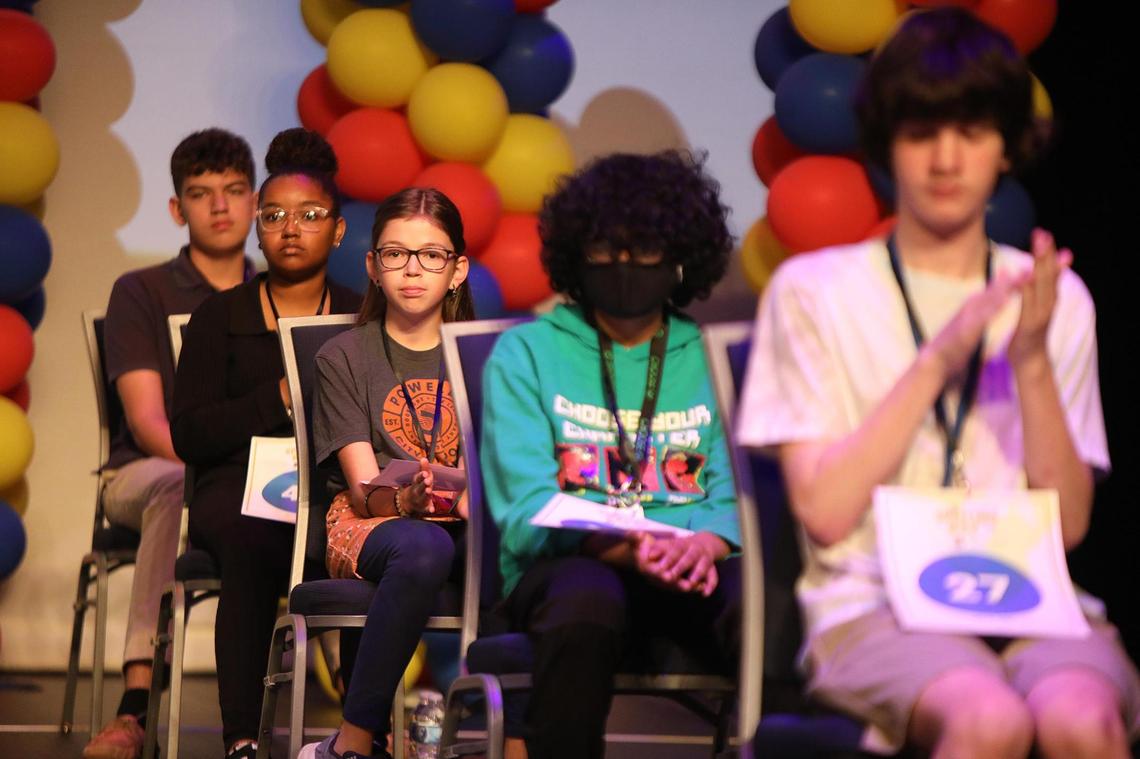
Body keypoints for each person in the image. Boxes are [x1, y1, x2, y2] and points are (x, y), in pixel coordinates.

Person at [737, 8, 1140, 758]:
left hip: (1029, 597)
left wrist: (1028, 360)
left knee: (1082, 720)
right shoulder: (814, 291)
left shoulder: (1054, 297)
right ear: (889, 141)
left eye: (973, 131)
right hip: (875, 599)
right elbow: (825, 513)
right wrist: (939, 358)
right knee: (989, 721)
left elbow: (1071, 524)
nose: (946, 159)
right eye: (923, 131)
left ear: (1008, 147)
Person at [480, 150, 742, 759]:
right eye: (605, 250)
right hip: (573, 567)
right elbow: (526, 507)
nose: (624, 267)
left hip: (689, 566)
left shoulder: (713, 359)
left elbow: (732, 496)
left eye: (645, 250)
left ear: (679, 260)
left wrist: (705, 544)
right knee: (586, 600)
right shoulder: (527, 353)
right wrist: (625, 547)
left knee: (769, 607)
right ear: (577, 255)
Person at [170, 128, 362, 759]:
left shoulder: (364, 318)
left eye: (309, 217)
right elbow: (192, 434)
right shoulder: (218, 318)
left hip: (335, 488)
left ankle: (366, 733)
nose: (290, 229)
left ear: (336, 231)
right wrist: (276, 396)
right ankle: (244, 739)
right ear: (258, 228)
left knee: (374, 545)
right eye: (275, 216)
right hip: (237, 488)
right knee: (251, 538)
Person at [85, 128, 258, 759]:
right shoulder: (143, 291)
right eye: (201, 193)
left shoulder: (275, 293)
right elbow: (149, 421)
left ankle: (349, 704)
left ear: (255, 200)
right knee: (169, 484)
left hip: (247, 480)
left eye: (235, 191)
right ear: (176, 209)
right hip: (147, 472)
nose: (220, 206)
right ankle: (135, 708)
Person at [299, 187, 472, 759]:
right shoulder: (344, 356)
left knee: (519, 547)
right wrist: (408, 502)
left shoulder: (485, 355)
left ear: (457, 270)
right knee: (424, 547)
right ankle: (353, 740)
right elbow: (364, 488)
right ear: (373, 267)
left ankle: (512, 735)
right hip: (374, 520)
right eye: (396, 254)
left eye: (431, 255)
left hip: (465, 519)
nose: (413, 270)